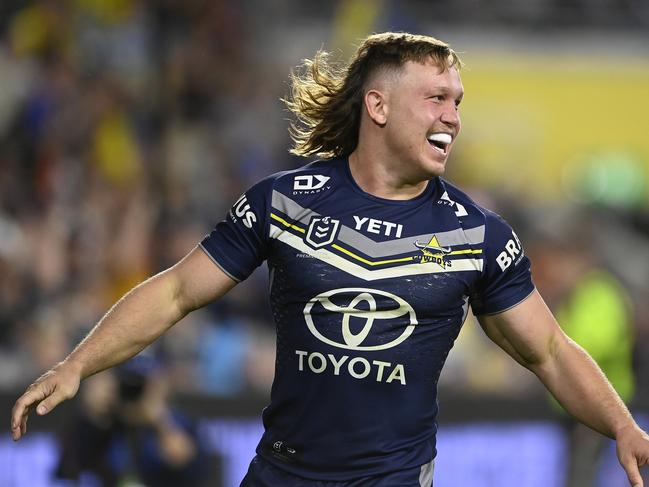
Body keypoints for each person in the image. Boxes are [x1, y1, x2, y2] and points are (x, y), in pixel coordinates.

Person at [11, 32, 649, 487]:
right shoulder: (285, 202)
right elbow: (178, 292)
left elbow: (552, 353)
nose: (453, 116)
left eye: (457, 100)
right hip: (283, 471)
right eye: (436, 98)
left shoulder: (476, 233)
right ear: (378, 106)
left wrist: (623, 427)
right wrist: (78, 364)